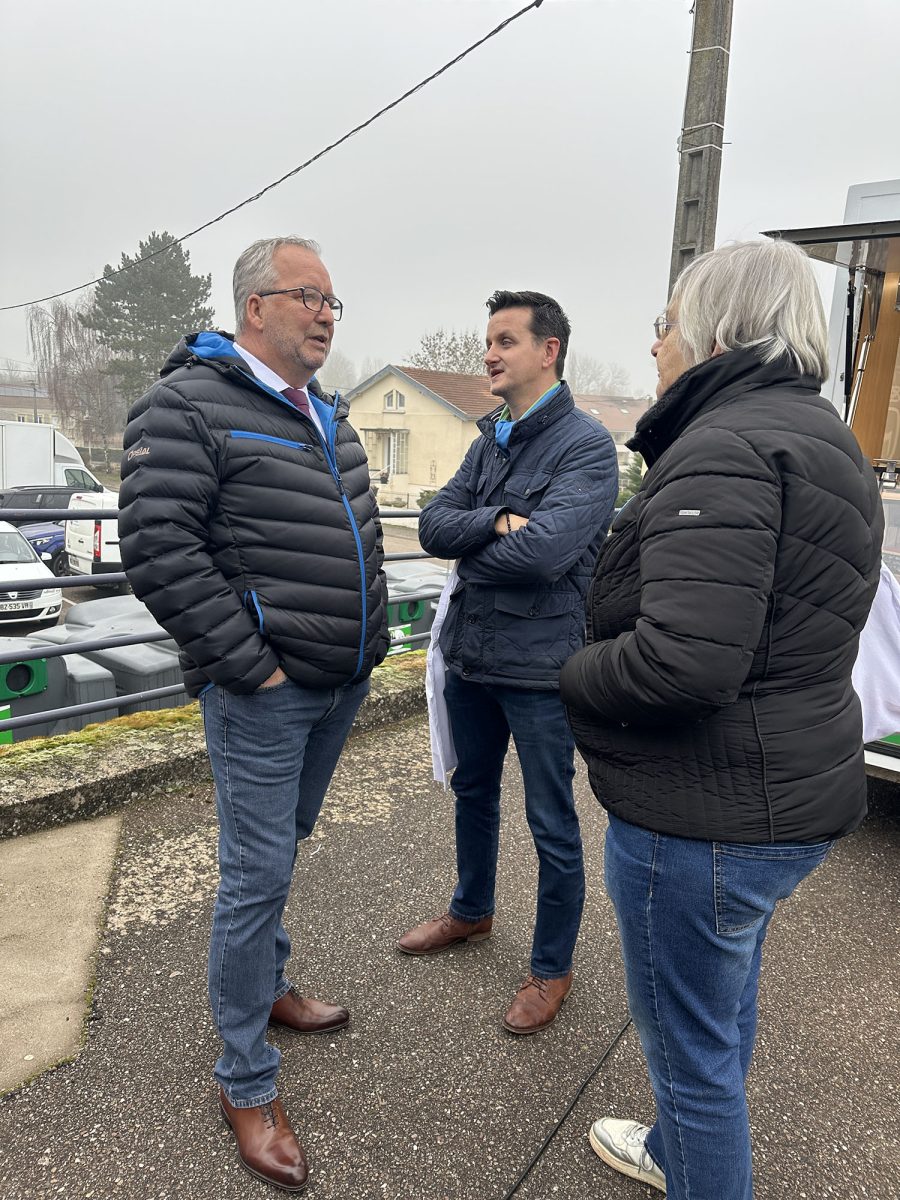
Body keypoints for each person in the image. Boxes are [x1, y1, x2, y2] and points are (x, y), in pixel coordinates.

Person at [559, 240, 883, 1199]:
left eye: (665, 323)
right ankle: (675, 1153)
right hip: (782, 796)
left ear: (713, 330)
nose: (654, 344)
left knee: (688, 1057)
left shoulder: (725, 447)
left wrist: (570, 673)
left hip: (704, 816)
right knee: (718, 1005)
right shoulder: (824, 438)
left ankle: (691, 1158)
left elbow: (685, 662)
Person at [118, 236, 389, 1193]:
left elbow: (353, 537)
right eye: (307, 295)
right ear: (254, 306)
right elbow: (157, 546)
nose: (325, 314)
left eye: (333, 301)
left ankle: (268, 988)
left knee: (282, 852)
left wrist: (365, 650)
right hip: (267, 694)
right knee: (255, 876)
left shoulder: (327, 414)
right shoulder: (187, 403)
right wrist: (253, 669)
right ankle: (244, 1080)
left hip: (338, 684)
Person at [397, 290, 619, 1034]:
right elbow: (433, 525)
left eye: (504, 341)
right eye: (487, 341)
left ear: (548, 351)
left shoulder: (586, 446)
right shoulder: (490, 439)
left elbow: (547, 554)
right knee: (472, 791)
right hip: (472, 654)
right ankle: (471, 910)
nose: (488, 354)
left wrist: (474, 555)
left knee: (551, 818)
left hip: (541, 670)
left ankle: (551, 968)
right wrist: (494, 521)